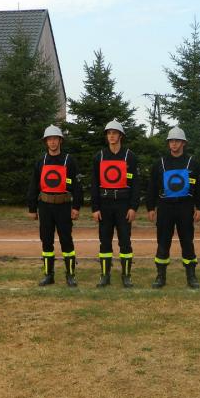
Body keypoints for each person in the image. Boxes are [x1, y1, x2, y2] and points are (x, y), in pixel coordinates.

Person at [146, 126, 200, 288]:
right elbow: (152, 187)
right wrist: (150, 208)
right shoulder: (159, 164)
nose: (174, 144)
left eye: (177, 141)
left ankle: (191, 276)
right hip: (165, 207)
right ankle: (160, 276)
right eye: (171, 141)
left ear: (183, 143)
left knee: (187, 241)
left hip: (185, 207)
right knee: (163, 241)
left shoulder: (193, 163)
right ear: (168, 143)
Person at [26, 125, 83, 287]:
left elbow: (77, 186)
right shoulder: (41, 161)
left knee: (66, 240)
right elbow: (33, 186)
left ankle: (70, 275)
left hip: (64, 206)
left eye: (55, 139)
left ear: (60, 141)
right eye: (49, 139)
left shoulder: (69, 161)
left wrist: (76, 207)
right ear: (46, 142)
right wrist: (32, 208)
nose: (52, 142)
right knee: (46, 241)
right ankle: (48, 275)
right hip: (45, 207)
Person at [90, 119, 140, 287]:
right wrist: (95, 208)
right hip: (104, 205)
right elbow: (94, 184)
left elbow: (136, 184)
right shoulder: (99, 157)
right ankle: (105, 275)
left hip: (123, 206)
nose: (111, 136)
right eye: (109, 133)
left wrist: (133, 207)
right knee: (105, 241)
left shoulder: (130, 157)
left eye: (115, 133)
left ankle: (126, 276)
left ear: (121, 136)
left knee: (125, 241)